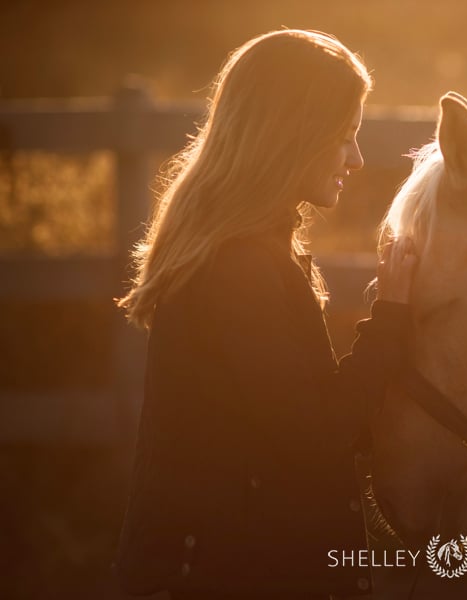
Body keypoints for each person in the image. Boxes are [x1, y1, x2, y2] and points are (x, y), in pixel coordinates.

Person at [113, 29, 416, 599]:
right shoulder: (237, 269)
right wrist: (391, 320)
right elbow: (317, 432)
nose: (356, 157)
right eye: (345, 135)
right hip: (223, 576)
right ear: (293, 134)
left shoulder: (256, 249)